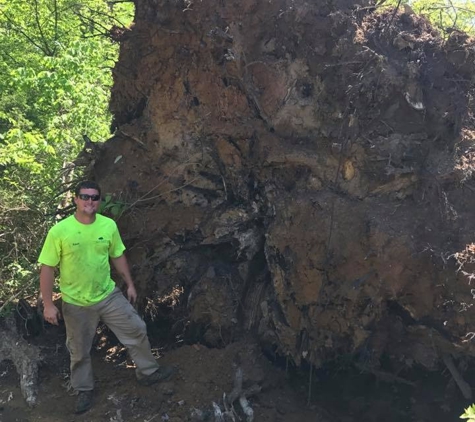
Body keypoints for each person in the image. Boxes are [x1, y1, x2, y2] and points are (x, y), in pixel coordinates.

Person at [38, 180, 173, 414]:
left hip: (108, 295)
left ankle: (148, 372)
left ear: (99, 201)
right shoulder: (60, 231)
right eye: (85, 196)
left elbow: (117, 255)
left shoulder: (108, 225)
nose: (89, 201)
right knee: (79, 351)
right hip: (76, 302)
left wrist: (129, 284)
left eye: (94, 197)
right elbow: (47, 268)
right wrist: (48, 304)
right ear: (75, 200)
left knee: (136, 328)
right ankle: (84, 390)